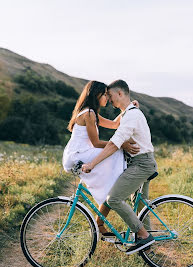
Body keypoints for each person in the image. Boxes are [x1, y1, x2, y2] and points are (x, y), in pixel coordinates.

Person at [82, 79, 157, 255]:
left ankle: (144, 236)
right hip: (142, 162)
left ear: (120, 93)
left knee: (113, 199)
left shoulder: (132, 115)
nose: (110, 100)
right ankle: (148, 250)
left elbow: (113, 144)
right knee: (141, 206)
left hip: (142, 164)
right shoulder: (130, 113)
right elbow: (118, 129)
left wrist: (92, 164)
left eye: (111, 95)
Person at [62, 80, 140, 236]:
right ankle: (103, 216)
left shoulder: (91, 112)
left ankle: (101, 219)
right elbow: (96, 143)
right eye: (105, 94)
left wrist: (128, 108)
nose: (107, 98)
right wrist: (122, 144)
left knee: (112, 180)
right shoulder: (89, 113)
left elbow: (113, 124)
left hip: (80, 153)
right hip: (79, 154)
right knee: (116, 153)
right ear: (96, 95)